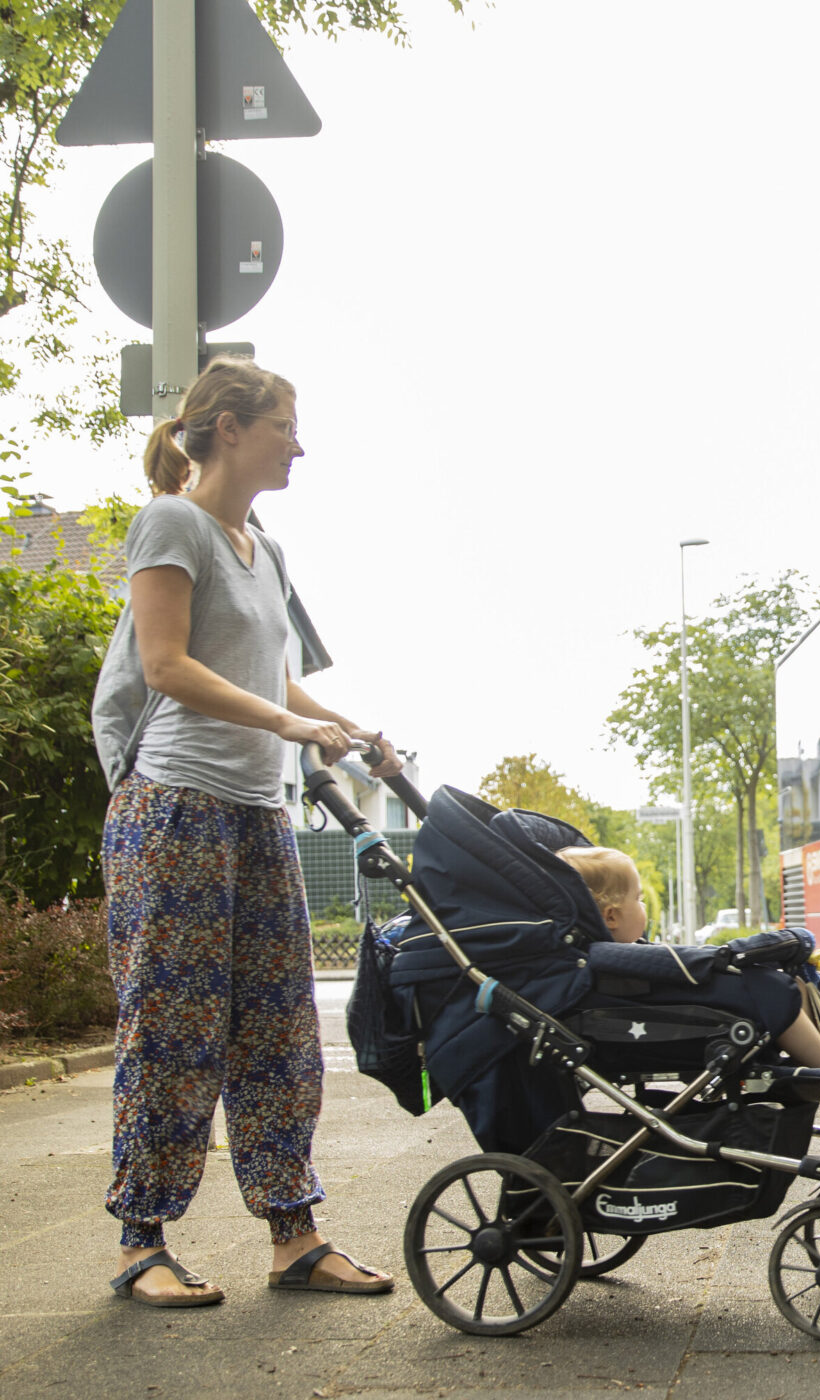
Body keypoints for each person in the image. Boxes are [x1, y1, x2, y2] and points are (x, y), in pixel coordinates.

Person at [91, 358, 400, 1308]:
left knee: (278, 1029)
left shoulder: (265, 548)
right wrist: (285, 727)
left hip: (257, 814)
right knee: (174, 1026)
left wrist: (340, 729)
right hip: (174, 809)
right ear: (228, 426)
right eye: (284, 426)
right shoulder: (171, 522)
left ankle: (293, 1236)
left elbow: (273, 680)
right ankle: (140, 1244)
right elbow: (167, 664)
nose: (298, 444)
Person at [552, 845, 820, 1069]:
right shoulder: (611, 959)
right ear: (611, 917)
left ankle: (812, 1057)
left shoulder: (603, 959)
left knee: (780, 982)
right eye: (639, 898)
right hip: (673, 1019)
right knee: (768, 985)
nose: (644, 905)